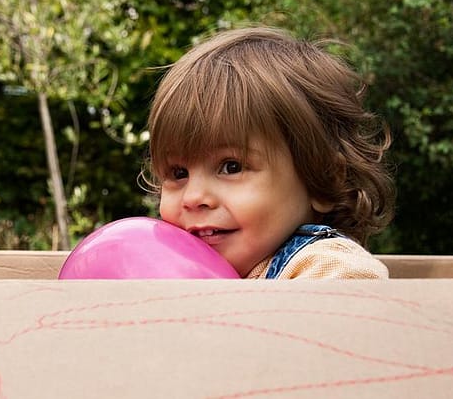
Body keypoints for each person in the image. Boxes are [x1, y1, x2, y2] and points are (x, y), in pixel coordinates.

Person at [141, 26, 394, 279]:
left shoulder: (325, 266)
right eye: (178, 173)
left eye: (232, 166)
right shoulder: (181, 271)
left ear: (324, 178)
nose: (194, 197)